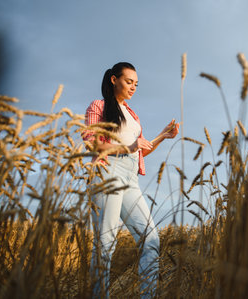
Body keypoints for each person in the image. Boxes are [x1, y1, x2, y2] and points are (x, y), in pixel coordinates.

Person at [83, 62, 179, 298]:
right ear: (114, 79)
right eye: (129, 81)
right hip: (108, 171)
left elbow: (140, 150)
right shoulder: (100, 106)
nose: (133, 87)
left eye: (136, 84)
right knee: (106, 242)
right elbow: (92, 142)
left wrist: (162, 136)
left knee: (151, 240)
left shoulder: (133, 115)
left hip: (130, 177)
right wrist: (128, 146)